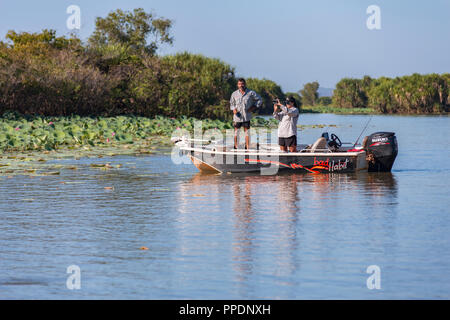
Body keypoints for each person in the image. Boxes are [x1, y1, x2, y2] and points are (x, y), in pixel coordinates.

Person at [230, 78, 262, 149]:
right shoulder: (234, 94)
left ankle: (247, 148)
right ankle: (236, 147)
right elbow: (231, 104)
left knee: (247, 133)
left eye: (242, 84)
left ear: (245, 84)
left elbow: (259, 100)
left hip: (246, 116)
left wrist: (253, 107)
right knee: (236, 133)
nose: (241, 85)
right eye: (239, 84)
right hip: (237, 117)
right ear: (237, 85)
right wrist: (234, 110)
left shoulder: (251, 93)